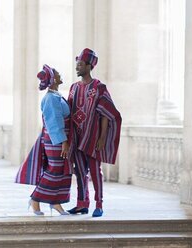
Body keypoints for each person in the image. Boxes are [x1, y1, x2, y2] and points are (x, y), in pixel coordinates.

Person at [67, 48, 121, 218]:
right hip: (77, 137)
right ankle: (82, 203)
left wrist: (103, 137)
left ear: (89, 66)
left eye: (80, 64)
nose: (77, 67)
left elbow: (106, 113)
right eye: (77, 64)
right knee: (80, 171)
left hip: (92, 137)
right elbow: (68, 111)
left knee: (95, 172)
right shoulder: (73, 88)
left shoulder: (99, 87)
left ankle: (99, 204)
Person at [15, 64, 72, 216]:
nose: (60, 75)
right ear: (53, 79)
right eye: (57, 74)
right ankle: (35, 199)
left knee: (60, 171)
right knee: (54, 170)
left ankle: (55, 202)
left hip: (59, 139)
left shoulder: (55, 96)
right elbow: (54, 122)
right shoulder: (51, 98)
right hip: (56, 140)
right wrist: (64, 142)